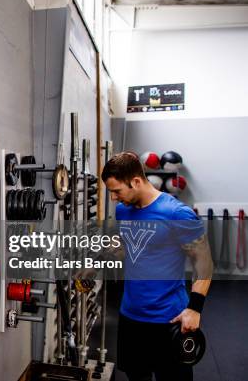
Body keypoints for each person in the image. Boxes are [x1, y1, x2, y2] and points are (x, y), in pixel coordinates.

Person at [100, 151, 213, 381]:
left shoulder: (176, 213)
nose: (113, 198)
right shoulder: (123, 210)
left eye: (116, 191)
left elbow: (204, 262)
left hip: (168, 319)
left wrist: (195, 308)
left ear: (136, 181)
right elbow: (128, 249)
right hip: (131, 317)